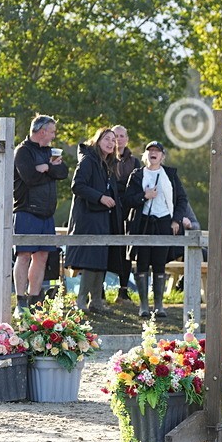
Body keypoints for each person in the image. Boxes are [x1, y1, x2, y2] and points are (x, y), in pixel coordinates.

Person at [122, 141, 189, 319]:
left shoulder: (170, 174)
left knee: (160, 263)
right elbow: (128, 200)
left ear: (162, 156)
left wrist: (176, 220)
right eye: (150, 150)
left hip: (164, 222)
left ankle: (159, 306)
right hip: (143, 222)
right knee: (142, 263)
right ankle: (143, 306)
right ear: (146, 155)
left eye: (157, 151)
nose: (154, 153)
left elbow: (182, 199)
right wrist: (144, 196)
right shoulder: (137, 175)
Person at [13, 115, 68, 311]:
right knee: (24, 254)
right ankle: (20, 300)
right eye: (52, 131)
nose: (54, 135)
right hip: (27, 211)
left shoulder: (49, 152)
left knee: (43, 255)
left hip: (47, 213)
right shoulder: (23, 151)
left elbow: (63, 172)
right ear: (42, 131)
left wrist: (47, 168)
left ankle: (34, 299)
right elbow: (30, 178)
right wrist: (48, 170)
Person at [64, 128, 121, 312]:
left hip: (103, 217)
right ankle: (81, 300)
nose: (111, 142)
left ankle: (96, 301)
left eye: (113, 140)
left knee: (100, 258)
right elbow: (77, 185)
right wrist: (100, 197)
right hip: (88, 216)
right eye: (107, 138)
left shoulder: (107, 164)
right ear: (98, 140)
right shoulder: (88, 160)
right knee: (90, 259)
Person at [109, 125, 141, 302]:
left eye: (122, 136)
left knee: (125, 249)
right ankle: (99, 291)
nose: (118, 139)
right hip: (109, 207)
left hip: (127, 210)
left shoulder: (134, 162)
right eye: (115, 136)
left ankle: (123, 289)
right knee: (106, 247)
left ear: (126, 139)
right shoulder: (105, 158)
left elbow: (136, 185)